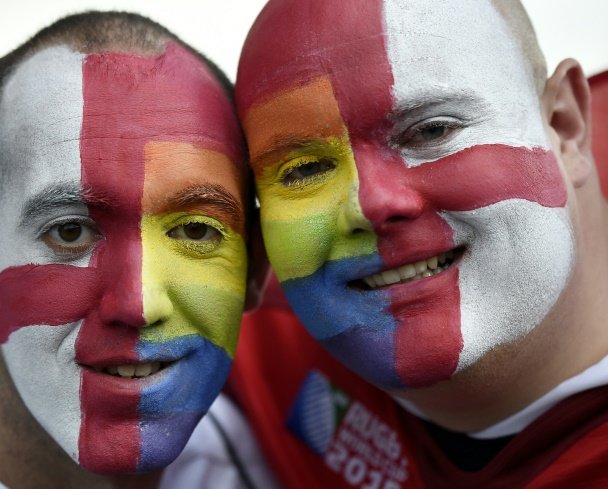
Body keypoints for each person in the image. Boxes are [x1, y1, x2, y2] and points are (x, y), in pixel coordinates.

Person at [0, 11, 274, 488]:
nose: (139, 304)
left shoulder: (271, 457)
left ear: (254, 265)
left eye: (195, 232)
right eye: (70, 232)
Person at [228, 0, 608, 487]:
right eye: (304, 170)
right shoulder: (245, 338)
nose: (370, 204)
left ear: (564, 125)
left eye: (432, 130)